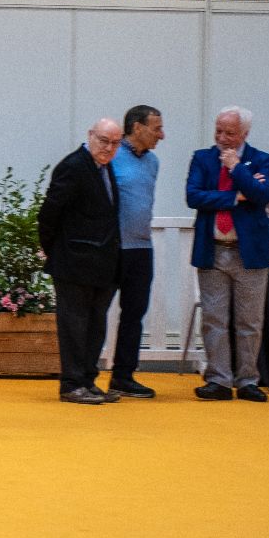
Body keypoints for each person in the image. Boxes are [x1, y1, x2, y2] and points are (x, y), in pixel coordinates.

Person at [186, 105, 269, 402]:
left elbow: (262, 196)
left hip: (249, 253)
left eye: (230, 133)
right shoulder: (202, 158)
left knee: (249, 321)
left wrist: (237, 169)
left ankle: (248, 380)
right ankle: (219, 380)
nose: (222, 138)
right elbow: (193, 196)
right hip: (213, 251)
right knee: (214, 320)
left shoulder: (261, 160)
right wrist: (236, 196)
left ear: (245, 134)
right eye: (218, 130)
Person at [37, 118, 123, 405]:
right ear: (90, 136)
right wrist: (55, 250)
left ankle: (87, 379)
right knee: (74, 326)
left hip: (101, 265)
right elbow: (49, 214)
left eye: (114, 143)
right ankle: (71, 383)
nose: (108, 148)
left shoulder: (105, 168)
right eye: (103, 141)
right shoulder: (73, 166)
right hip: (73, 262)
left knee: (95, 325)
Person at [107, 105, 164, 399]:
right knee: (97, 311)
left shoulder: (153, 162)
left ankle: (123, 376)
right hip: (113, 248)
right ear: (137, 128)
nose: (162, 135)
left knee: (134, 313)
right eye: (156, 128)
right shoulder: (111, 155)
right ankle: (83, 376)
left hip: (142, 248)